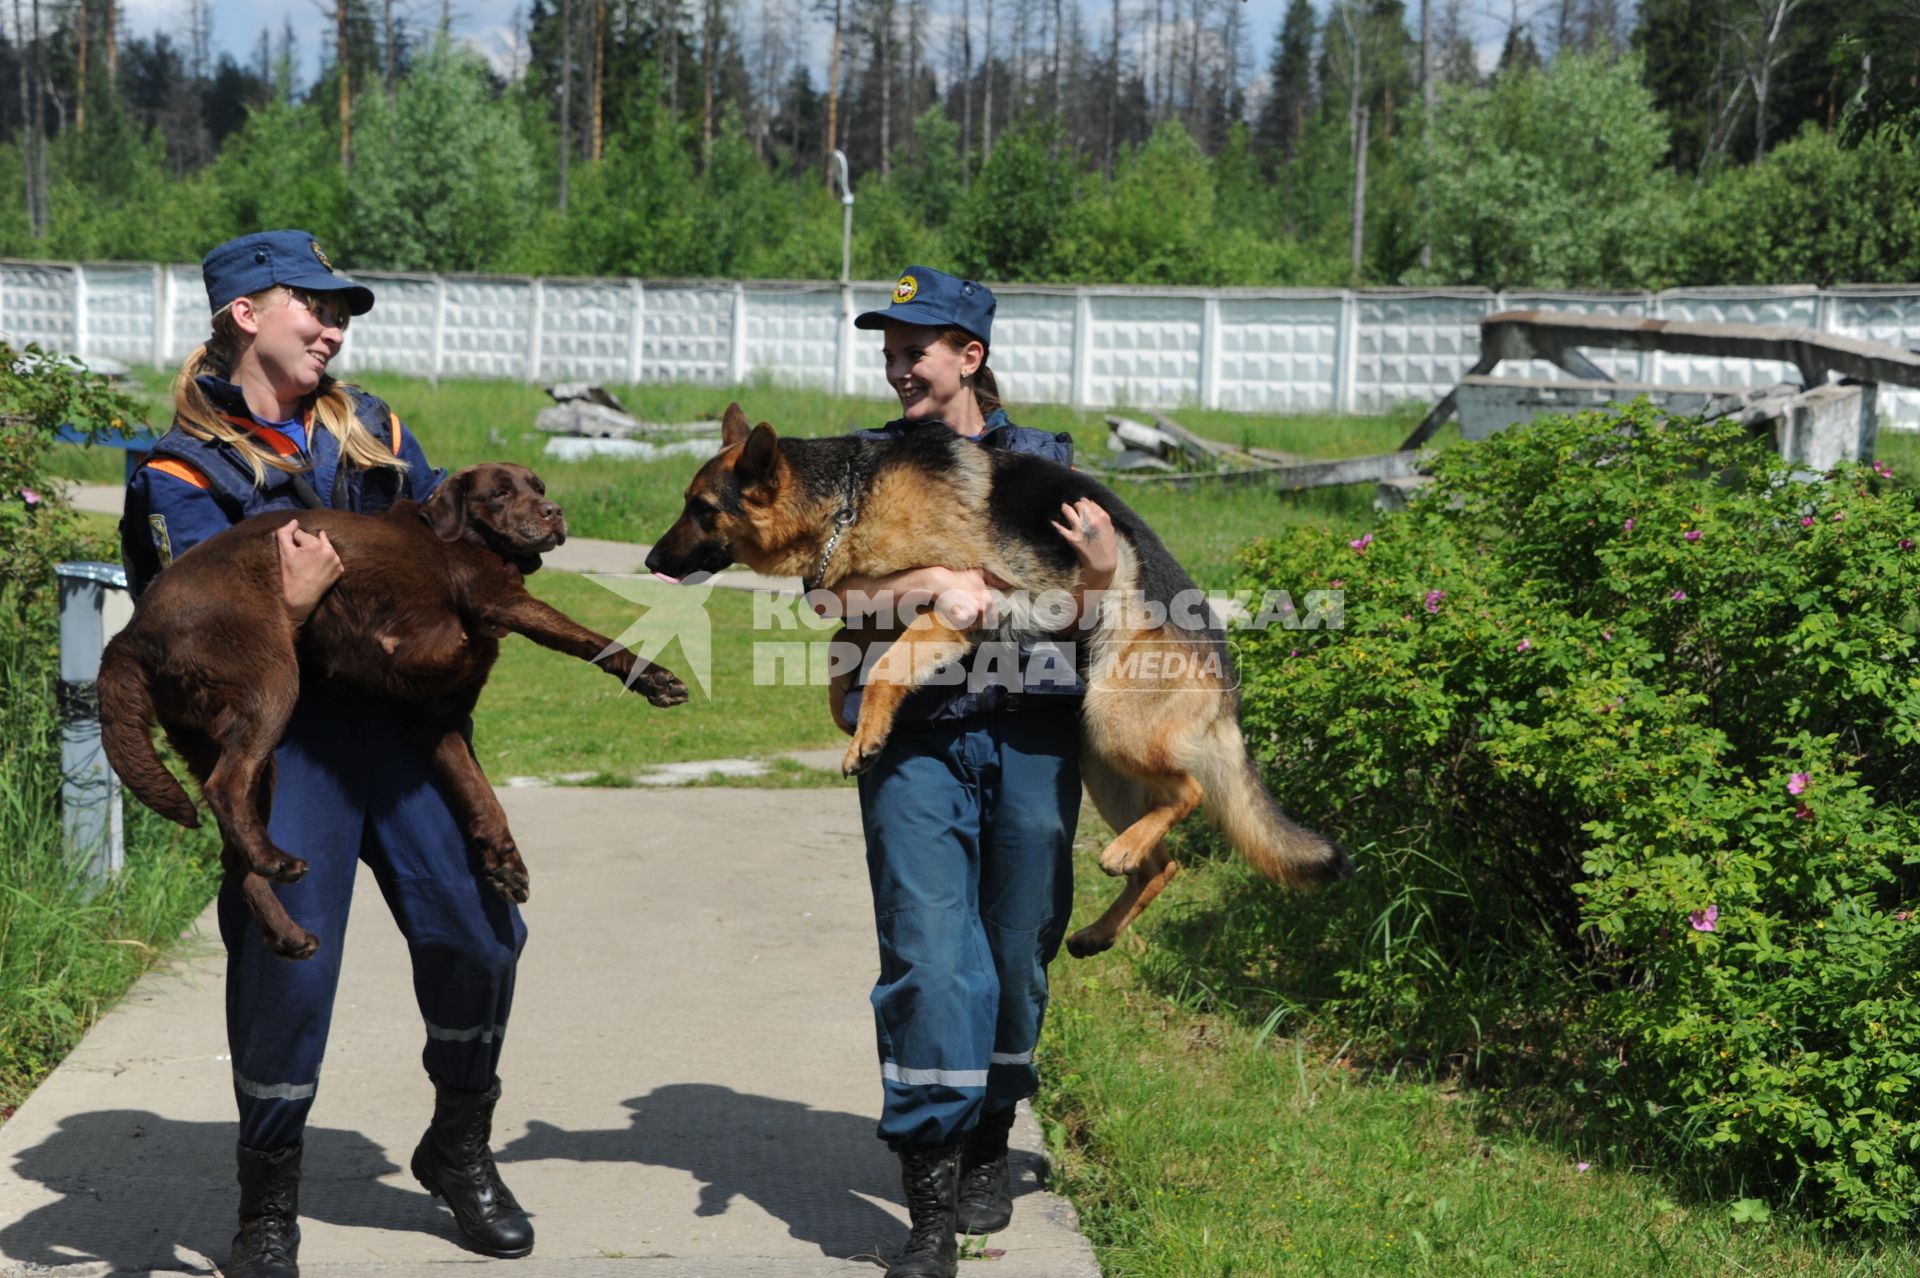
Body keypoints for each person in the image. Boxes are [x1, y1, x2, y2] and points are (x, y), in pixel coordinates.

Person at [119, 231, 533, 1277]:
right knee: (285, 973)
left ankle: (458, 1143)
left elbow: (448, 554)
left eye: (343, 308)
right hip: (288, 751)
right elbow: (190, 633)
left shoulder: (375, 432)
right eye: (313, 303)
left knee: (482, 938)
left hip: (401, 740)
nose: (335, 323)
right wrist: (287, 612)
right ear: (246, 311)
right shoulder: (181, 470)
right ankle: (268, 1202)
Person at [823, 266, 1116, 1278]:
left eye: (917, 349)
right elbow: (831, 595)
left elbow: (1084, 602)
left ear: (970, 358)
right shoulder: (870, 464)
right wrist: (933, 584)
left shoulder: (1045, 465)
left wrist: (1082, 581)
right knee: (929, 955)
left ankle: (995, 1126)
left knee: (1017, 945)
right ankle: (933, 1199)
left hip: (1032, 731)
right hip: (912, 736)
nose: (900, 366)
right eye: (890, 350)